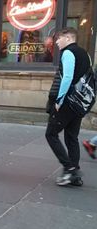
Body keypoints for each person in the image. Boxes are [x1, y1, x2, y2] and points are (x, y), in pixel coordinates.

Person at [45, 27, 90, 186]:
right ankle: (75, 177)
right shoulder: (86, 54)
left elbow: (68, 77)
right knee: (72, 137)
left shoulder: (68, 53)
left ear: (69, 39)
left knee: (51, 134)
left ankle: (70, 168)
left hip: (67, 102)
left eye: (59, 38)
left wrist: (59, 99)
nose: (56, 42)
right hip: (79, 103)